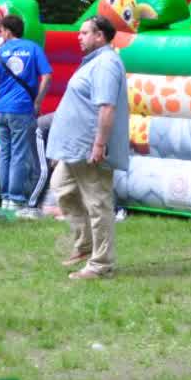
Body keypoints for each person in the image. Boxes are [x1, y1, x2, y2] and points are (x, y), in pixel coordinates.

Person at [45, 14, 129, 280]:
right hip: (74, 148)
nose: (78, 37)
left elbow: (107, 107)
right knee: (62, 189)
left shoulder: (106, 64)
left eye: (84, 33)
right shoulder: (94, 62)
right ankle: (85, 246)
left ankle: (101, 264)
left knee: (97, 203)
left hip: (90, 148)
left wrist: (99, 144)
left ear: (99, 36)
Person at [0, 13, 52, 214]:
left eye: (2, 31)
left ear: (7, 31)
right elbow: (47, 75)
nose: (1, 34)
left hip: (2, 109)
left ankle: (5, 197)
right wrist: (38, 101)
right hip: (23, 108)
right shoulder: (33, 48)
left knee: (5, 153)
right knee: (19, 153)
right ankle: (16, 198)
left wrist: (1, 98)